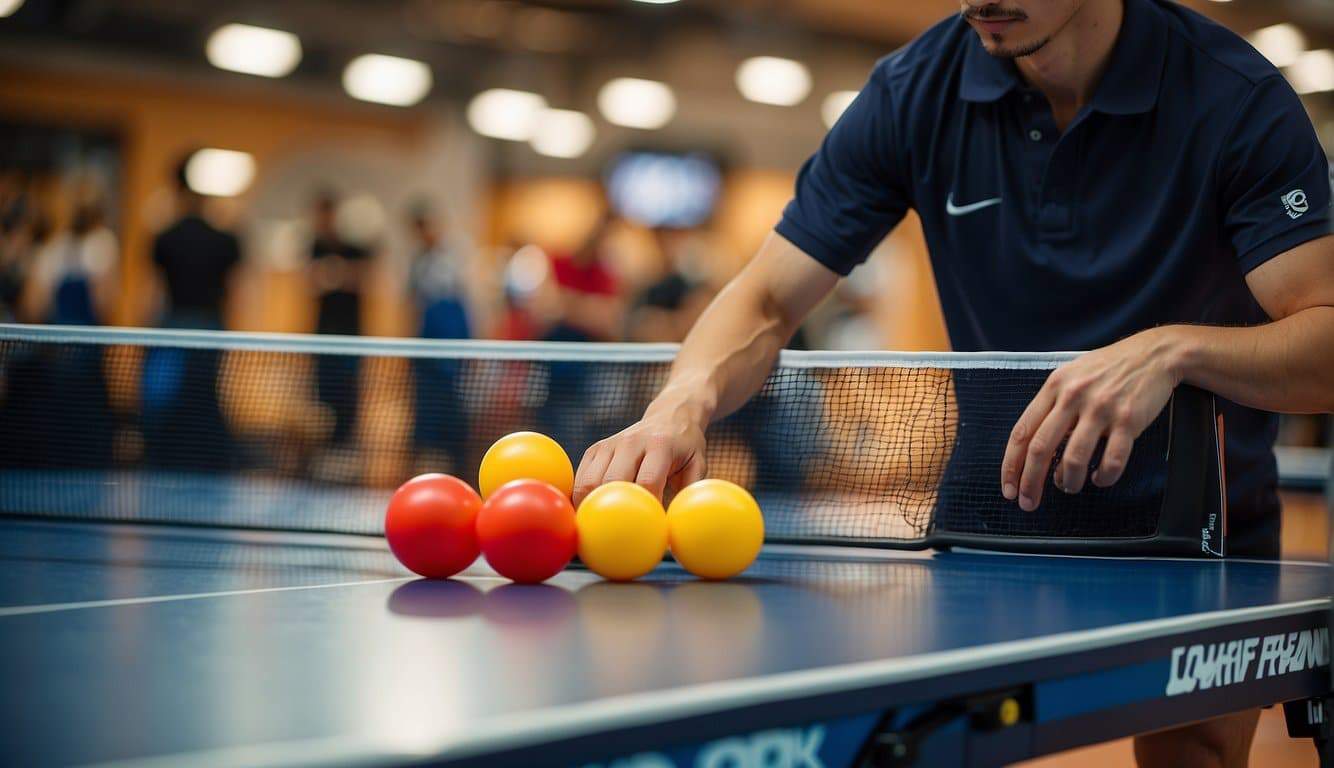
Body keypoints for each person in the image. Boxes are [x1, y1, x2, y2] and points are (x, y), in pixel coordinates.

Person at [572, 1, 1333, 765]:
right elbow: (768, 299)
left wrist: (1176, 351)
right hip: (991, 519)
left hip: (1195, 530)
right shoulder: (914, 92)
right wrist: (681, 403)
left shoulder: (1235, 97)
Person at [142, 155, 242, 470]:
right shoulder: (226, 239)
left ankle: (164, 460)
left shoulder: (163, 236)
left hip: (175, 325)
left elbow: (151, 292)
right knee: (201, 399)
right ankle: (203, 464)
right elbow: (238, 292)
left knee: (169, 402)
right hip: (208, 327)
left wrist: (145, 329)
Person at [405, 202, 471, 474]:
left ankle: (456, 474)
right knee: (426, 420)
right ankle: (423, 476)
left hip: (451, 357)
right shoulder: (417, 264)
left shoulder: (453, 261)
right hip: (427, 356)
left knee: (452, 419)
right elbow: (412, 306)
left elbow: (463, 308)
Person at [307, 190, 369, 449]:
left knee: (347, 395)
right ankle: (325, 449)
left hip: (350, 335)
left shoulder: (355, 248)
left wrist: (336, 274)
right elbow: (311, 280)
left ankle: (345, 449)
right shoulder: (314, 247)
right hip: (323, 335)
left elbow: (364, 277)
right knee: (322, 394)